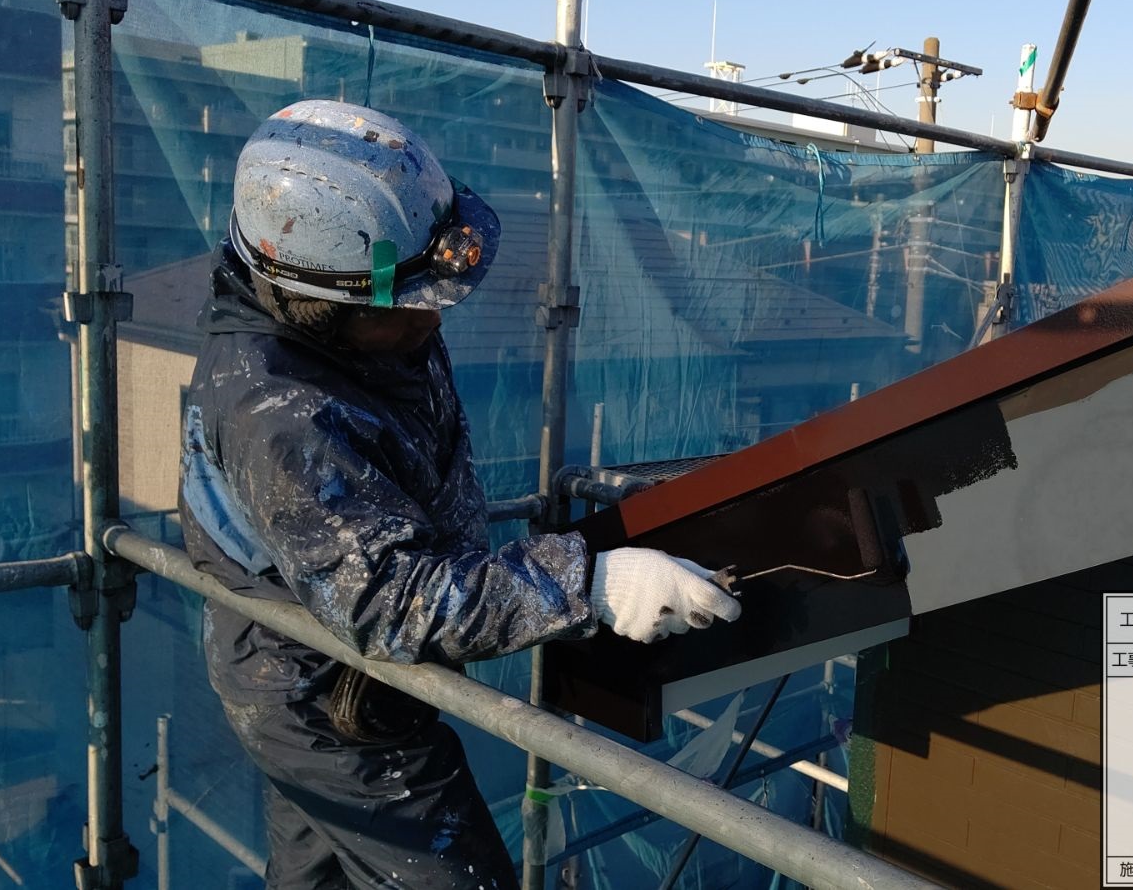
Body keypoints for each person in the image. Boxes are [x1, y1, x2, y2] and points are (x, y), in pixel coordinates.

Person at [178, 100, 742, 890]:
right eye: (414, 304)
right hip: (323, 695)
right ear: (327, 309)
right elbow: (386, 599)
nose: (434, 321)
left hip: (319, 666)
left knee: (318, 877)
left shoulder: (365, 329)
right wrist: (589, 584)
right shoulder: (280, 414)